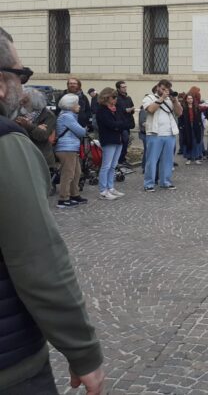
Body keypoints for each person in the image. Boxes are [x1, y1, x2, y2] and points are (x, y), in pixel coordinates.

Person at [0, 26, 105, 395]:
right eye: (21, 75)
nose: (24, 88)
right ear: (0, 83)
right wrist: (83, 351)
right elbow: (38, 258)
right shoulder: (6, 144)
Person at [142, 79, 182, 192]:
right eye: (163, 89)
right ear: (158, 87)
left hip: (170, 134)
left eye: (167, 89)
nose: (165, 91)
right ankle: (149, 184)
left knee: (168, 160)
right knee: (152, 160)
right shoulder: (149, 98)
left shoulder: (170, 99)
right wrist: (162, 98)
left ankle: (165, 182)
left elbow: (179, 113)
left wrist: (175, 101)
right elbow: (150, 109)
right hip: (155, 134)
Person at [55, 94, 89, 208]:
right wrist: (84, 129)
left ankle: (75, 194)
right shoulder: (67, 117)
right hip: (66, 148)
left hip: (71, 148)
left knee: (77, 172)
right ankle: (63, 198)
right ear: (70, 106)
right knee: (68, 174)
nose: (79, 106)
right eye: (76, 104)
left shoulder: (69, 116)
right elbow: (81, 132)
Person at [95, 87, 127, 200]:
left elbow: (124, 122)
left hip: (118, 139)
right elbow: (110, 124)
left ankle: (110, 187)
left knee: (113, 166)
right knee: (106, 166)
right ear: (106, 97)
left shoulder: (116, 108)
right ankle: (103, 191)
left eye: (116, 97)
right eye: (113, 97)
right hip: (109, 139)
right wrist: (118, 125)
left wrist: (118, 125)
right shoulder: (102, 110)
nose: (115, 99)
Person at [14, 88, 57, 172]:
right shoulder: (18, 113)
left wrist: (28, 126)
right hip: (22, 155)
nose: (21, 103)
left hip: (41, 156)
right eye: (21, 100)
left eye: (25, 101)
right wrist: (37, 128)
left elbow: (42, 136)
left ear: (35, 102)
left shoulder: (48, 115)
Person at [115, 80, 135, 167]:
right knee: (124, 140)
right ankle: (120, 160)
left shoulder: (128, 98)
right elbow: (120, 110)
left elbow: (132, 108)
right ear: (118, 88)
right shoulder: (117, 98)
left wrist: (130, 110)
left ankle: (122, 159)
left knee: (126, 142)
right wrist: (127, 110)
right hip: (121, 124)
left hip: (127, 123)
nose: (125, 88)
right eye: (123, 87)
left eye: (125, 87)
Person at [181, 94, 203, 165]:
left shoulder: (196, 107)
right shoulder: (183, 108)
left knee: (196, 141)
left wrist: (200, 124)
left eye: (191, 98)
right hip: (187, 126)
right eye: (188, 98)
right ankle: (189, 158)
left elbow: (199, 118)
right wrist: (181, 126)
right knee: (188, 141)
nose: (190, 100)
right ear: (186, 100)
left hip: (195, 126)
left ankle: (196, 157)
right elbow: (180, 118)